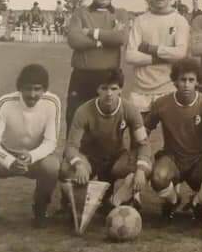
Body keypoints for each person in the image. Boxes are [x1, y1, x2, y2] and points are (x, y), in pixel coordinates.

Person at [0, 65, 61, 229]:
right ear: (19, 88)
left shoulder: (52, 101)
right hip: (5, 156)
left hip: (34, 158)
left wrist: (32, 156)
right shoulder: (5, 102)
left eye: (38, 89)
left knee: (52, 166)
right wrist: (9, 160)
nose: (33, 95)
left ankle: (40, 209)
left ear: (45, 89)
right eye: (28, 89)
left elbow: (51, 142)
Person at [60, 69, 152, 212]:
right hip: (90, 158)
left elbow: (143, 144)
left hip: (116, 158)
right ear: (97, 89)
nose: (109, 93)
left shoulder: (130, 109)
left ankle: (122, 198)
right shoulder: (83, 111)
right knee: (66, 169)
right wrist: (79, 164)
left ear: (120, 89)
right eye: (104, 88)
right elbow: (71, 146)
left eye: (114, 88)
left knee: (144, 166)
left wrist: (140, 170)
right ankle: (77, 199)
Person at [146, 58, 202, 221]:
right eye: (183, 80)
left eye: (191, 80)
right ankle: (174, 200)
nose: (187, 84)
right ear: (175, 81)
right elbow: (144, 132)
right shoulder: (162, 104)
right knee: (158, 177)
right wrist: (141, 157)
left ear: (197, 82)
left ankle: (196, 202)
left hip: (198, 161)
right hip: (172, 159)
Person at [65, 0, 129, 135]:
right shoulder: (81, 13)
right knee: (75, 121)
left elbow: (120, 37)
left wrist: (91, 32)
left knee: (107, 125)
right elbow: (74, 40)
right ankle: (72, 158)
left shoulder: (120, 13)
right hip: (82, 76)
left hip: (109, 77)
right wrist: (103, 40)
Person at [125, 0, 189, 117]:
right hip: (140, 89)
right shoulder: (140, 21)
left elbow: (180, 53)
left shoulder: (179, 21)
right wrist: (162, 58)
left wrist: (150, 48)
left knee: (173, 138)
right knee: (139, 137)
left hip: (169, 87)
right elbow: (130, 55)